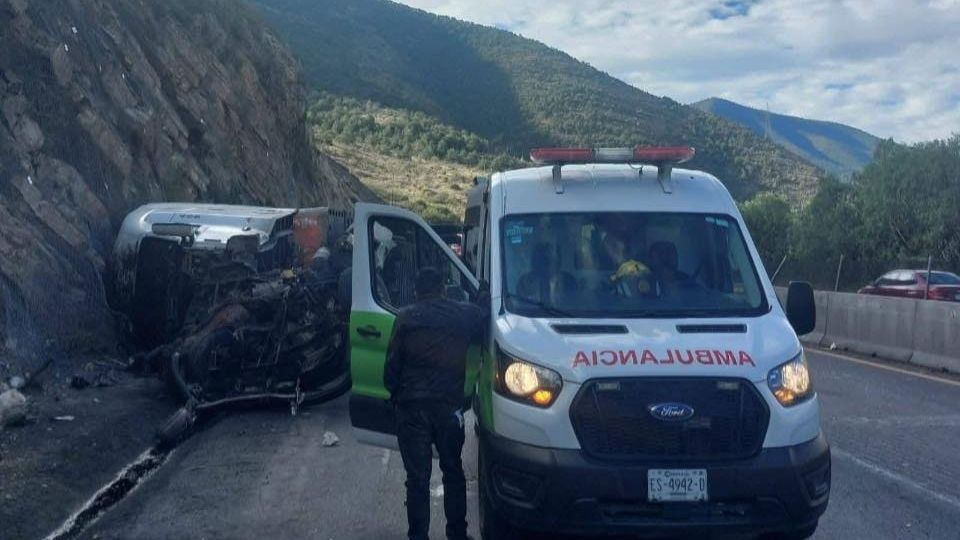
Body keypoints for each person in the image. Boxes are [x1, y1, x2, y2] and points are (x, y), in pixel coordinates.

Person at [384, 267, 487, 540]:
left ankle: (418, 536)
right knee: (452, 470)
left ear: (416, 292)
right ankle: (457, 534)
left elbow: (390, 371)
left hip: (413, 409)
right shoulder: (464, 314)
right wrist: (486, 292)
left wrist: (396, 398)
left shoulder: (405, 319)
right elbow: (487, 314)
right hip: (447, 407)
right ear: (443, 288)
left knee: (417, 479)